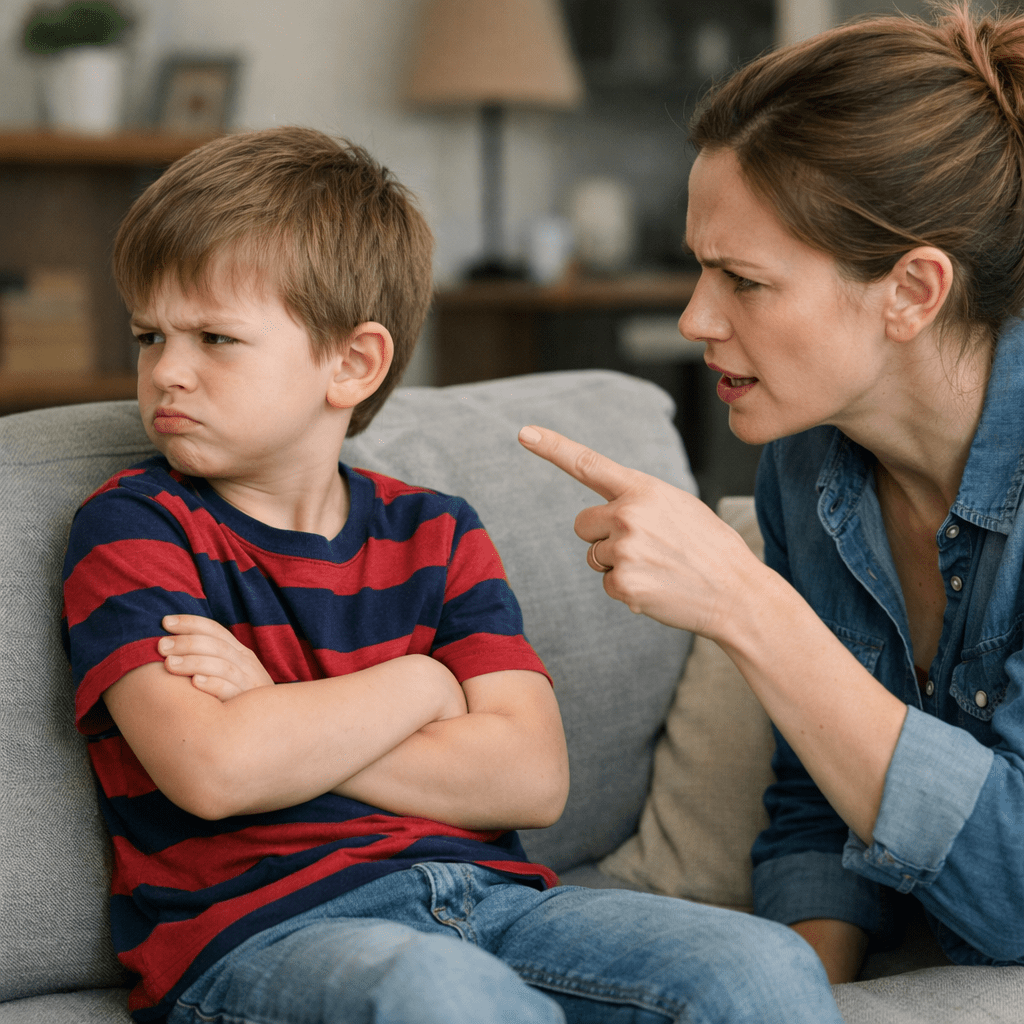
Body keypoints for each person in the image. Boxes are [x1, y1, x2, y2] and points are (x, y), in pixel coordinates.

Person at [61, 127, 842, 1024]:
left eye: (214, 338)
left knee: (761, 968)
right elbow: (216, 768)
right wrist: (425, 684)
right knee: (446, 995)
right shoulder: (132, 527)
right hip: (262, 938)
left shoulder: (436, 531)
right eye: (148, 334)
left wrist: (278, 709)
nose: (167, 371)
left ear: (353, 363)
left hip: (494, 902)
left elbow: (529, 776)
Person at [520, 0, 1024, 988]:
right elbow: (814, 799)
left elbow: (1012, 892)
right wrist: (793, 997)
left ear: (911, 292)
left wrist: (745, 604)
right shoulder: (809, 461)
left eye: (741, 280)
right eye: (696, 267)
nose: (693, 315)